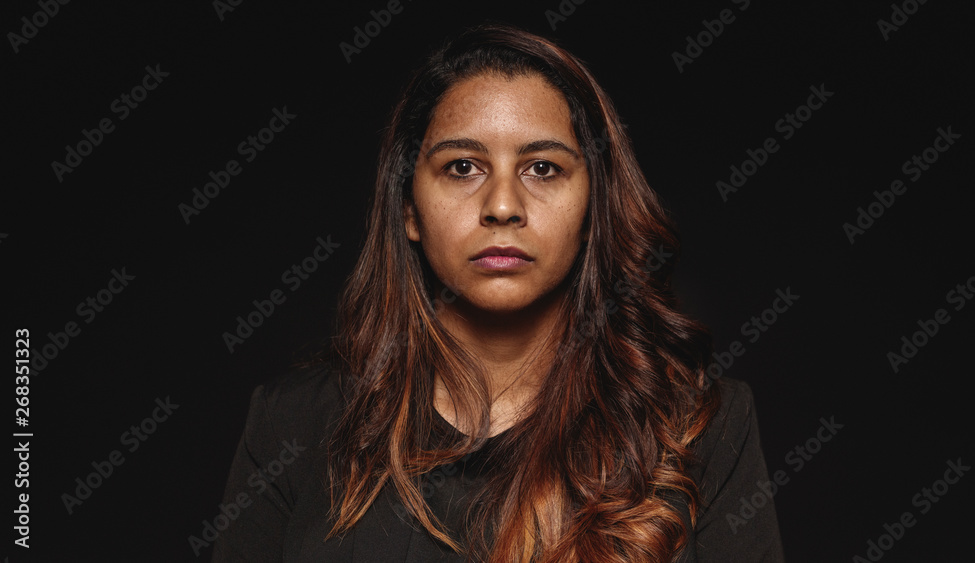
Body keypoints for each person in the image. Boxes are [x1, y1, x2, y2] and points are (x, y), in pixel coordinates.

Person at [211, 24, 784, 562]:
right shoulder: (293, 423)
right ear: (409, 208)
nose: (503, 206)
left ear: (592, 209)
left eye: (542, 168)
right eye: (462, 167)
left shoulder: (701, 425)